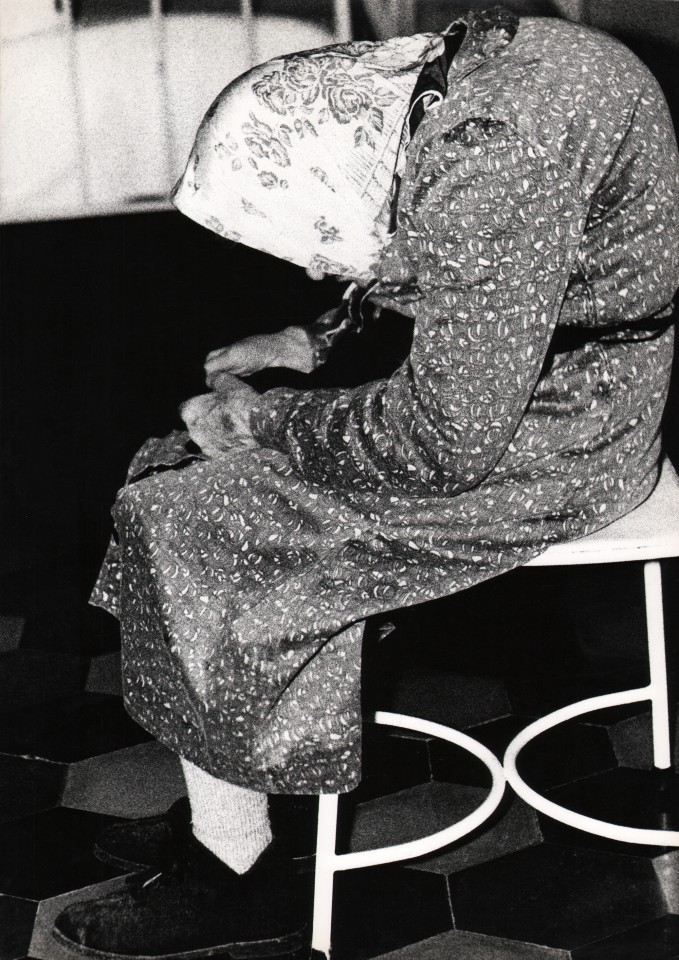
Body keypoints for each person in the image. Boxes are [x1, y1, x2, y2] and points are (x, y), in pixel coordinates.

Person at [53, 7, 679, 958]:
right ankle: (238, 777)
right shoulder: (476, 76)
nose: (308, 256)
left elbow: (443, 439)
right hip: (547, 385)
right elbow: (485, 260)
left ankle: (236, 869)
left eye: (303, 228)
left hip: (562, 436)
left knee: (186, 514)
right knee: (178, 468)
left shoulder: (493, 155)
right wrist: (322, 338)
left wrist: (261, 417)